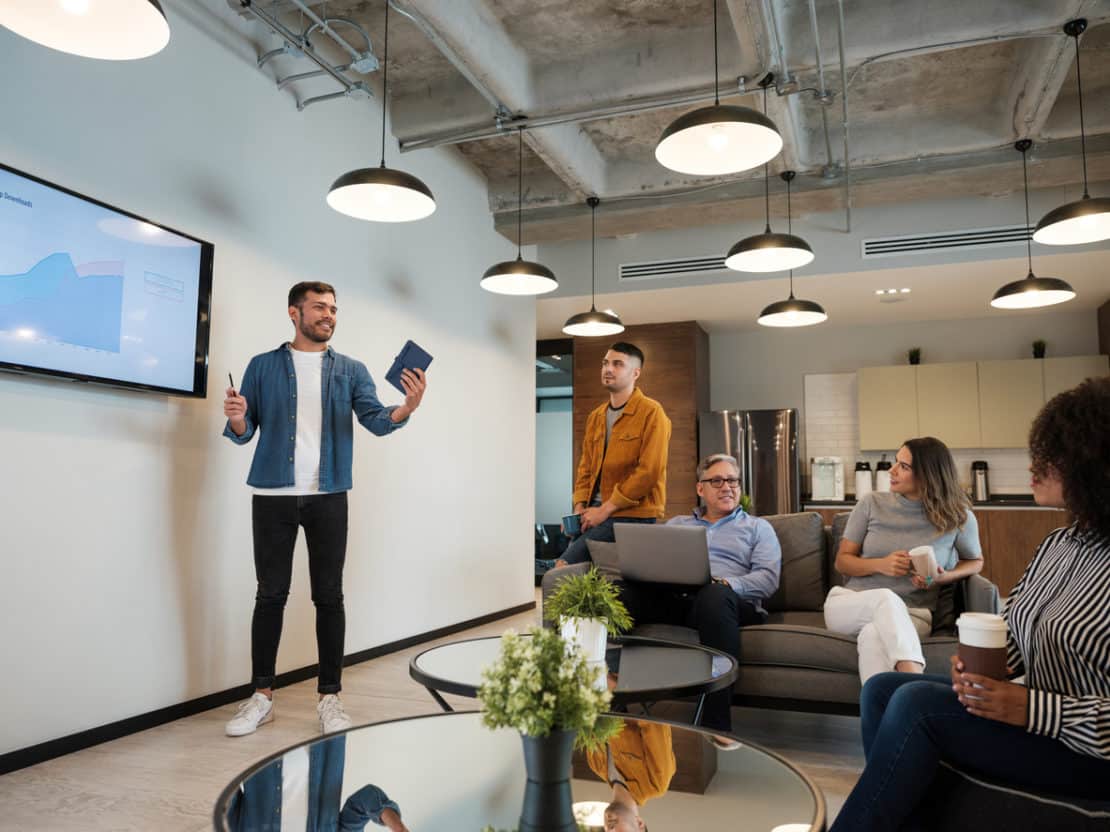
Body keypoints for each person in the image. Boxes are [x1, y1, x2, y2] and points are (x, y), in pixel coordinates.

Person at [829, 377, 1110, 832]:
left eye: (1052, 456)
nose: (1032, 466)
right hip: (1033, 715)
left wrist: (1029, 708)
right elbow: (1016, 633)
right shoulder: (1059, 543)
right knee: (883, 688)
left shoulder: (958, 516)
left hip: (1080, 746)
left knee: (916, 701)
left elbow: (973, 561)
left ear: (1094, 465)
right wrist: (985, 667)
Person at [222, 282, 427, 737]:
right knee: (270, 594)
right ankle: (261, 697)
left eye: (333, 308)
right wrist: (237, 415)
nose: (328, 315)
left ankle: (329, 697)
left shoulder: (351, 370)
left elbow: (376, 420)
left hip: (329, 495)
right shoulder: (262, 366)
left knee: (329, 596)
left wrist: (406, 407)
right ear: (294, 313)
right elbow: (243, 430)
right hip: (273, 495)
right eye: (319, 307)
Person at [616, 453, 782, 735]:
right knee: (620, 594)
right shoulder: (677, 524)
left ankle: (716, 725)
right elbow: (652, 564)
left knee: (714, 595)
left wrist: (726, 584)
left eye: (732, 480)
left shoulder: (757, 528)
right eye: (716, 481)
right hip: (678, 601)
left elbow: (767, 579)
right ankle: (609, 704)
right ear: (700, 489)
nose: (726, 487)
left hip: (729, 603)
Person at [824, 437, 982, 683]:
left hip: (914, 615)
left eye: (904, 466)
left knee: (872, 636)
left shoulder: (959, 517)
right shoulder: (871, 503)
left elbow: (976, 561)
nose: (892, 470)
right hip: (850, 604)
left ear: (927, 475)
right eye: (896, 462)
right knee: (886, 597)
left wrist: (942, 577)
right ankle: (915, 684)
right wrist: (881, 564)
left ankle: (882, 718)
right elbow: (842, 562)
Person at [556, 342, 671, 567]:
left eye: (618, 364)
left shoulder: (652, 412)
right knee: (577, 574)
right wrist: (579, 506)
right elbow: (585, 468)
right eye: (605, 363)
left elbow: (649, 472)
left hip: (632, 515)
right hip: (595, 513)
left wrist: (605, 510)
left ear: (635, 373)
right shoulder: (596, 416)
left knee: (563, 568)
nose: (608, 369)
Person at [586, 719, 675, 832]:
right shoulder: (656, 783)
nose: (611, 830)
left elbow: (586, 718)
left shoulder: (596, 765)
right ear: (639, 824)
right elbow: (655, 719)